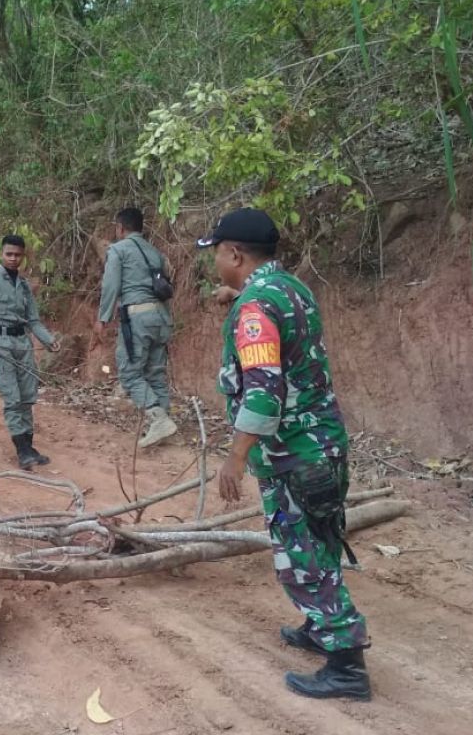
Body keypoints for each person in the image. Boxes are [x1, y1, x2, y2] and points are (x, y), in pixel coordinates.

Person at [199, 207, 371, 701]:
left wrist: (234, 459)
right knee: (321, 539)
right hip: (325, 446)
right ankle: (319, 630)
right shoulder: (291, 290)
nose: (215, 263)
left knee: (303, 557)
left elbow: (262, 395)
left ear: (234, 254)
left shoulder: (255, 311)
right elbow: (281, 327)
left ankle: (346, 666)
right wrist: (238, 301)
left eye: (217, 254)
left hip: (294, 457)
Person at [0, 234, 62, 469]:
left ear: (23, 257)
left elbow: (33, 320)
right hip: (0, 342)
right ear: (1, 254)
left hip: (23, 342)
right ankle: (22, 450)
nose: (13, 259)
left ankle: (29, 446)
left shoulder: (24, 285)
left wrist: (49, 340)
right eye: (9, 254)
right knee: (12, 396)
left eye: (18, 255)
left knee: (28, 396)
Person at [94, 207, 177, 448]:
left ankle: (157, 418)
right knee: (155, 372)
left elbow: (111, 286)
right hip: (161, 317)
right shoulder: (155, 252)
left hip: (138, 317)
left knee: (130, 374)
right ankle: (163, 425)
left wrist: (103, 318)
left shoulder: (118, 250)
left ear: (120, 228)